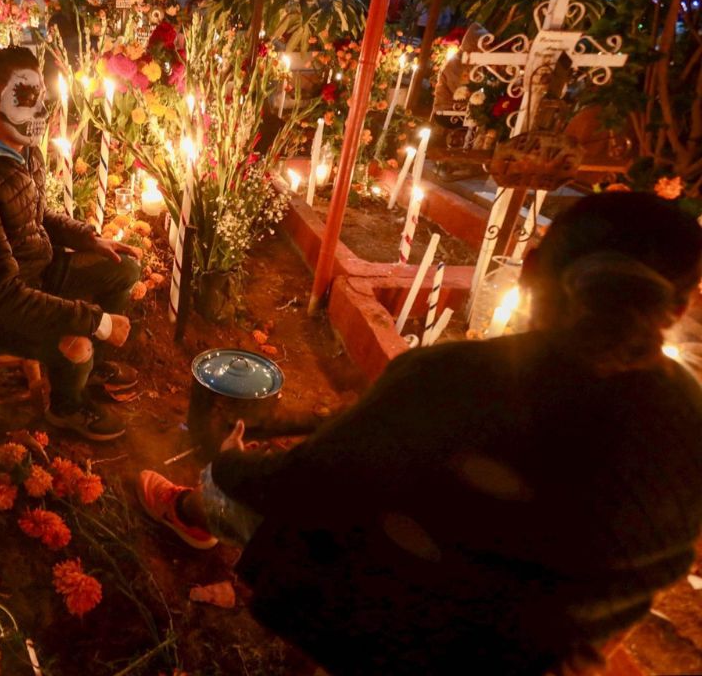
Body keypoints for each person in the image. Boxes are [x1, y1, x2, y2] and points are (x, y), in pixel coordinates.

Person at [140, 191, 702, 675]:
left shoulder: (458, 378)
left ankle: (189, 509)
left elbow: (303, 485)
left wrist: (232, 461)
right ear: (678, 305)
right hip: (540, 661)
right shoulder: (688, 419)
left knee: (237, 492)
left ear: (531, 270)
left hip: (388, 637)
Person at [0, 45, 143, 441]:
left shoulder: (13, 144)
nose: (42, 111)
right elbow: (2, 298)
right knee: (77, 341)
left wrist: (89, 239)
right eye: (27, 100)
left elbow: (34, 214)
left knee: (122, 268)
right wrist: (98, 322)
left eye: (41, 97)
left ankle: (90, 373)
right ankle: (67, 406)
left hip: (35, 271)